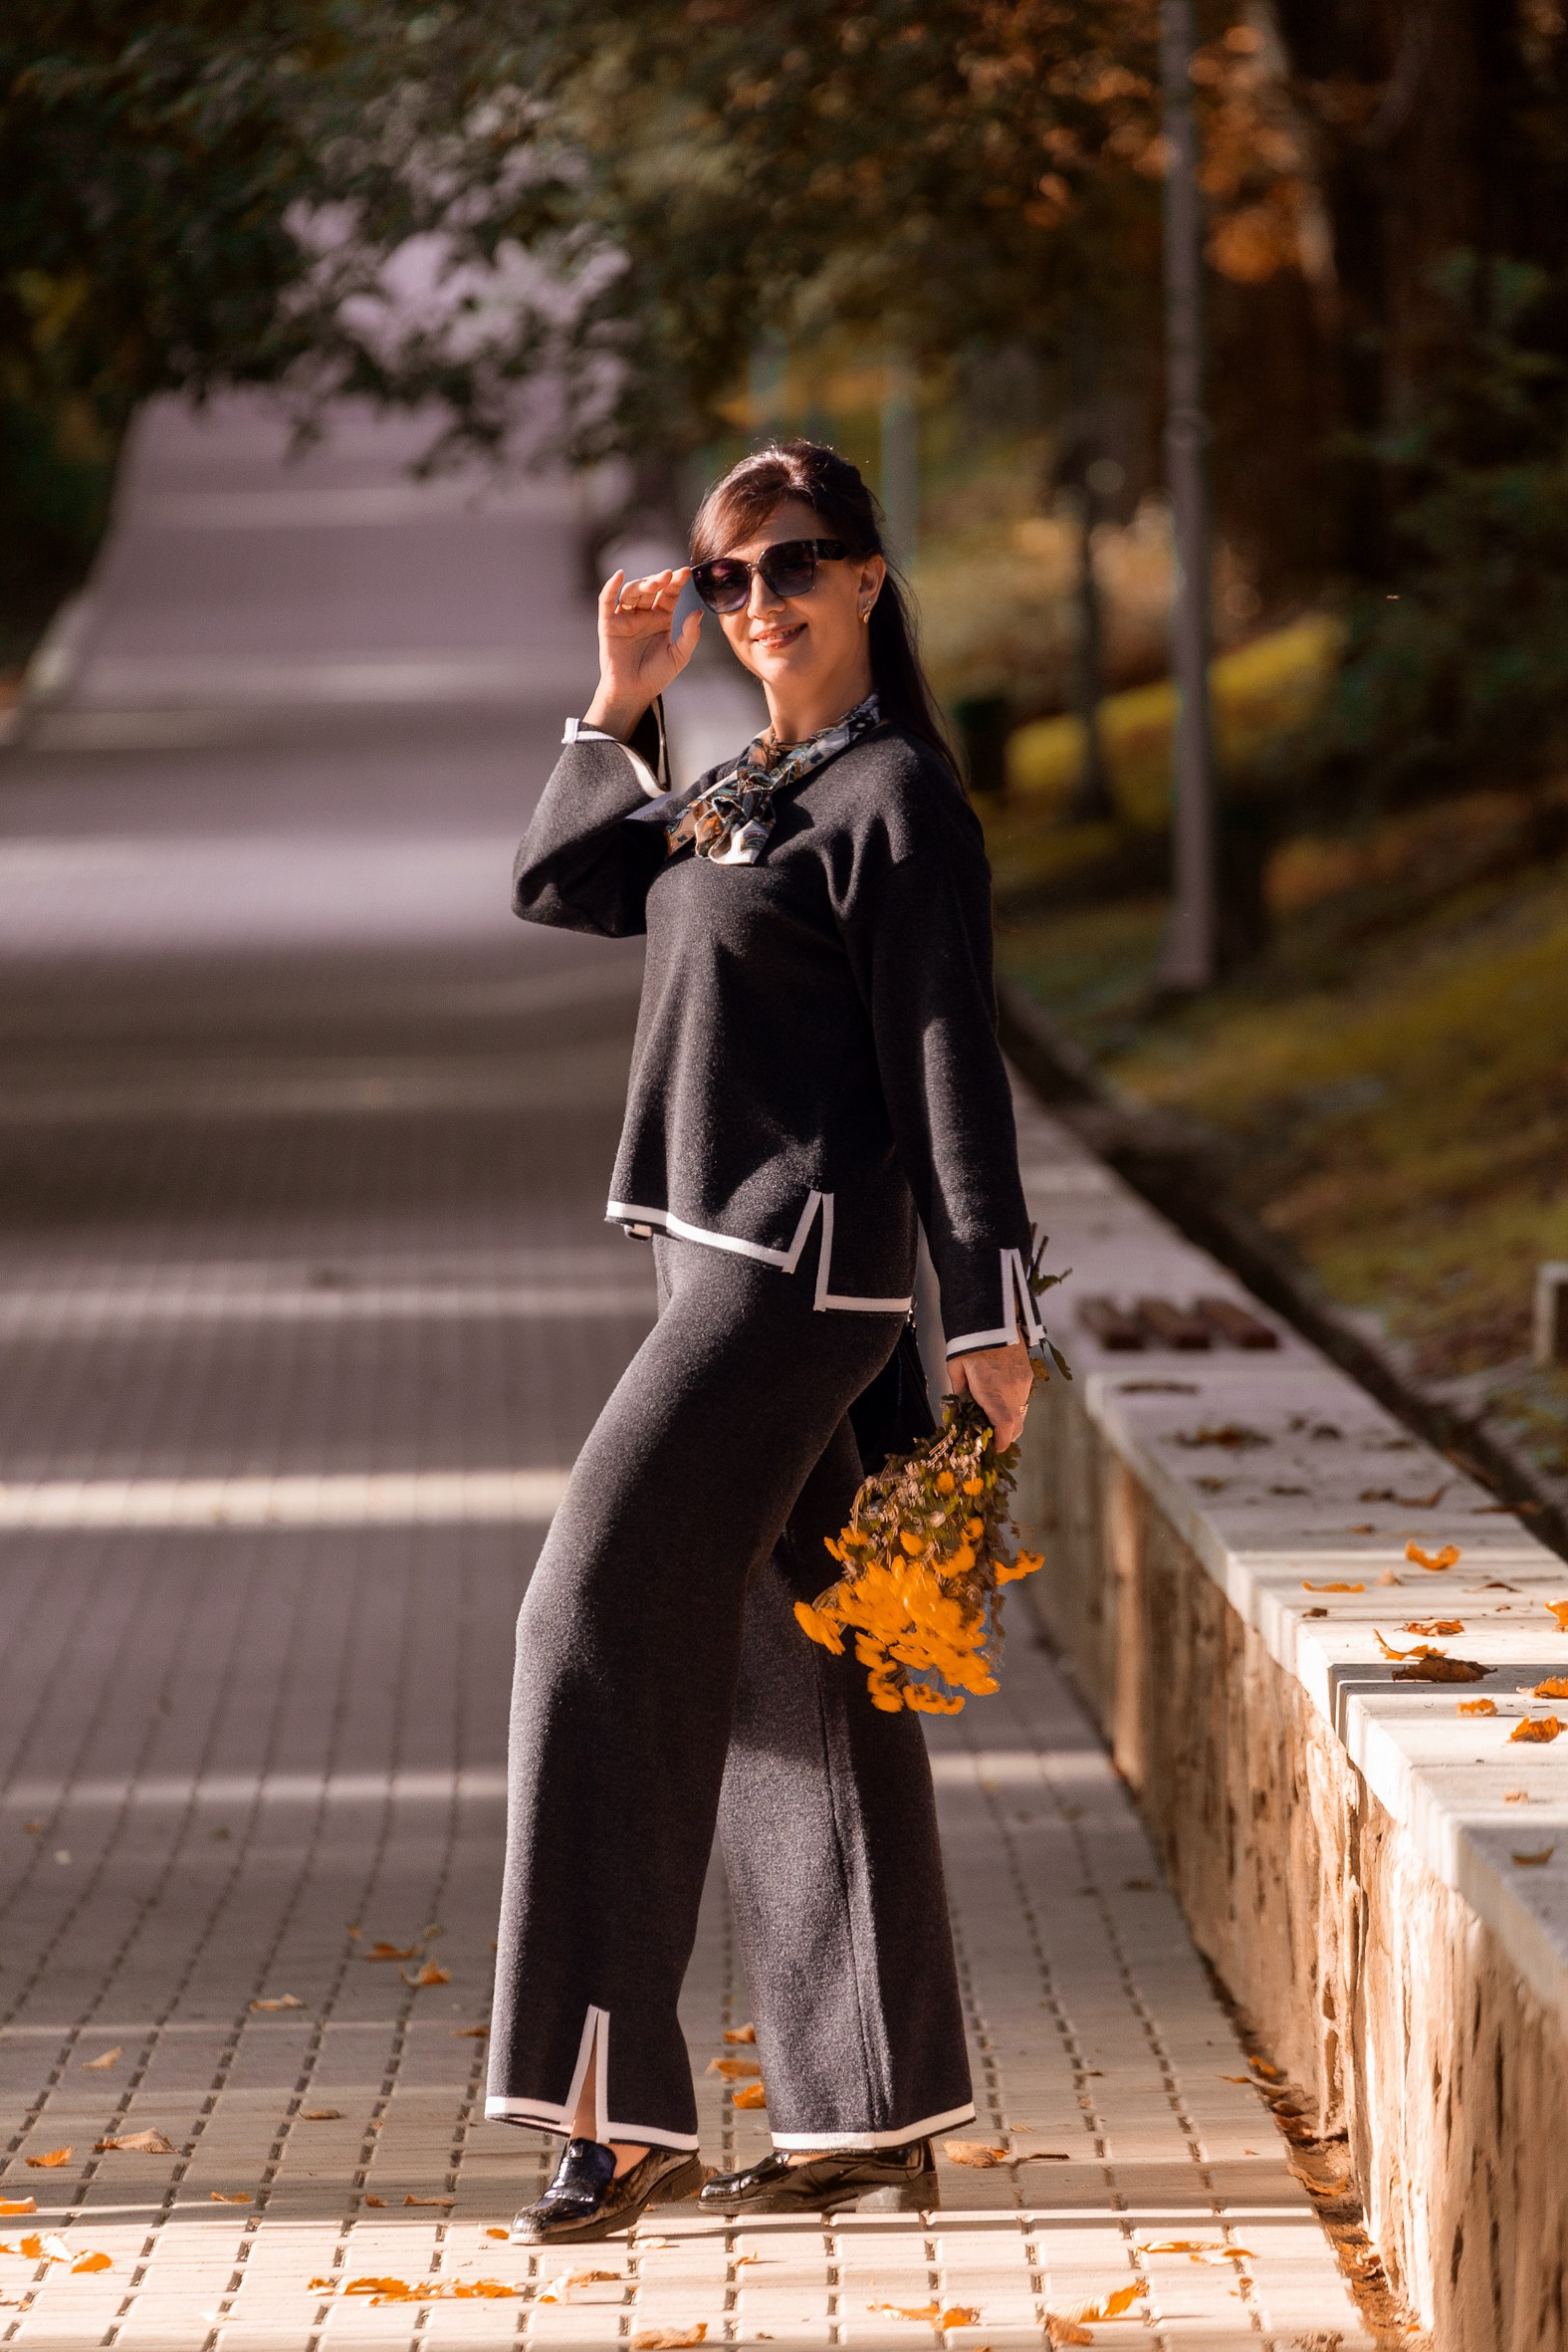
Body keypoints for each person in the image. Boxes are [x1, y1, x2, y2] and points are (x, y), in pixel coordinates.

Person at [487, 438, 1042, 2242]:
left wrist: (993, 1311)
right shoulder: (752, 780)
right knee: (812, 1665)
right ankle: (869, 2100)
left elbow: (950, 1060)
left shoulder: (897, 798)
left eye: (792, 563)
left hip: (789, 1281)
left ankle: (610, 2099)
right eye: (730, 577)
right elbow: (566, 880)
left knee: (584, 1613)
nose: (758, 602)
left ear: (869, 572)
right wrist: (619, 700)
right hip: (713, 1263)